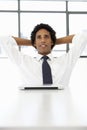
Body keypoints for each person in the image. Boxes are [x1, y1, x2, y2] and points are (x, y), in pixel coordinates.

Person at [0, 23, 87, 89]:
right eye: (39, 37)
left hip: (61, 108)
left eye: (46, 37)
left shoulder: (66, 61)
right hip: (32, 109)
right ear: (34, 42)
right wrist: (33, 43)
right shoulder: (23, 62)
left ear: (52, 41)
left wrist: (55, 41)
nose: (43, 40)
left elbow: (83, 36)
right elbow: (3, 40)